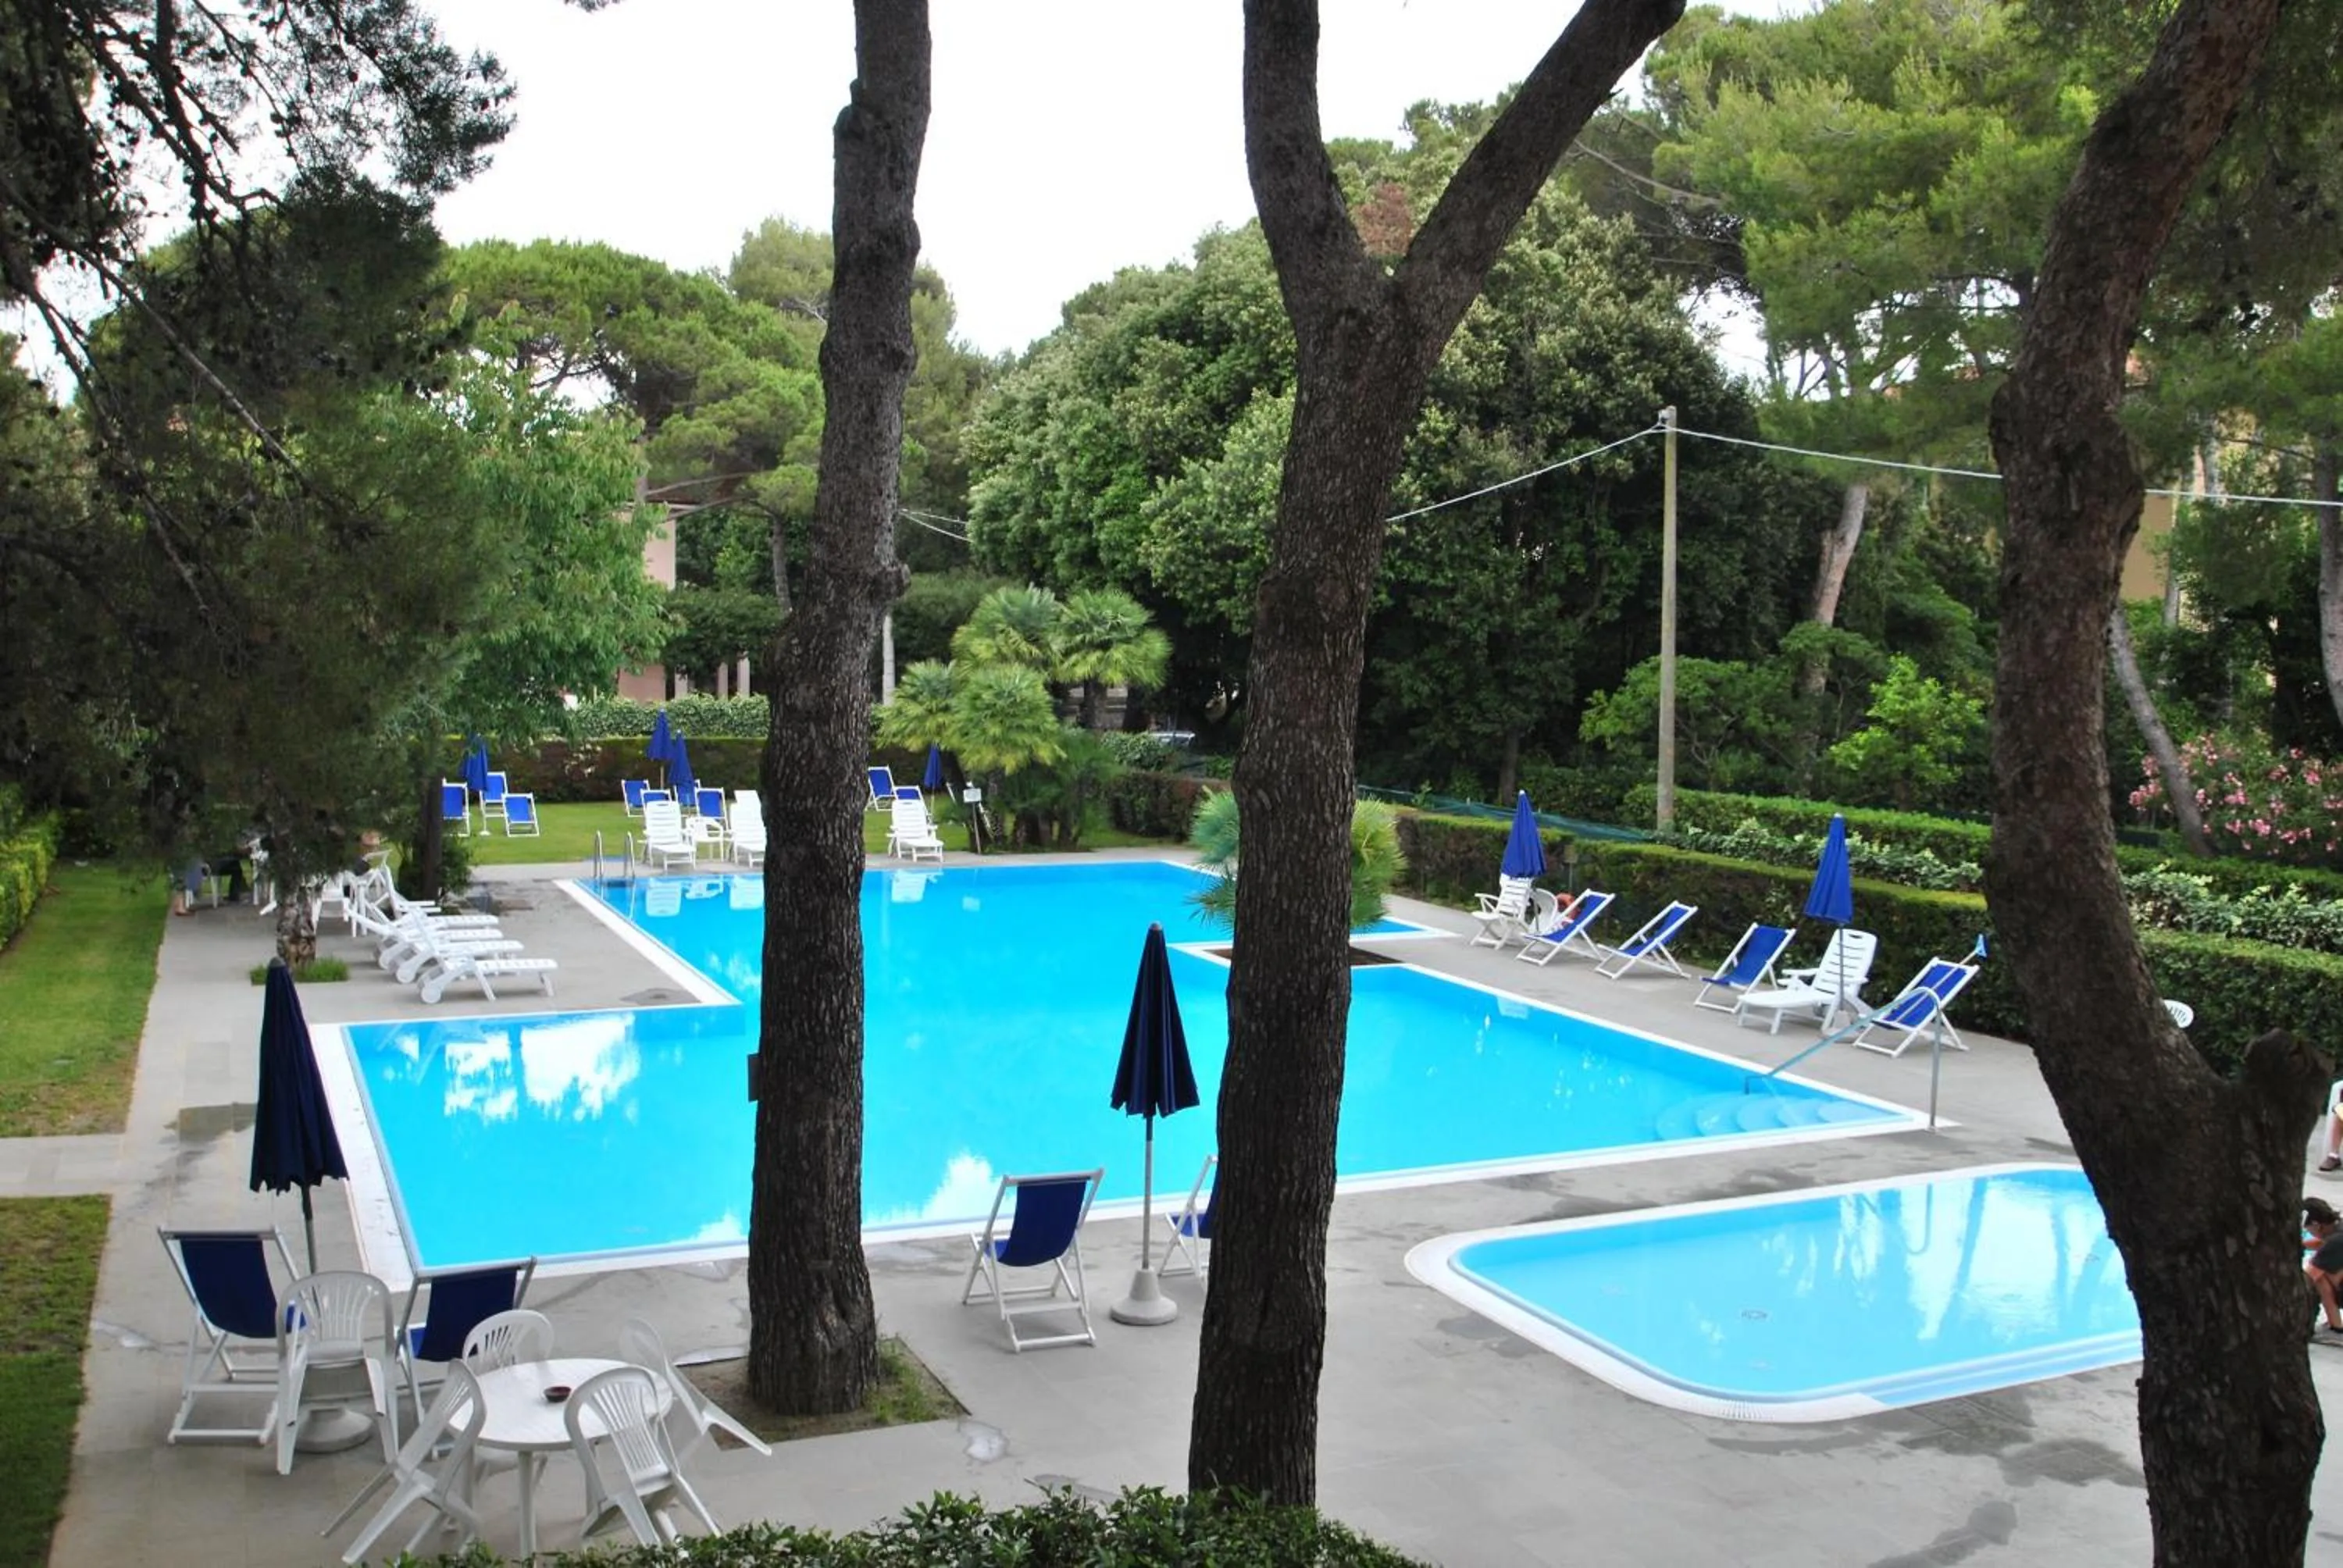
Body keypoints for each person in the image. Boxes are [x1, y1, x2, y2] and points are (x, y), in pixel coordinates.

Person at [2306, 1197, 2343, 1337]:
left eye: (2308, 1229)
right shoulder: (2339, 1229)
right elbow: (2322, 1243)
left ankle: (2336, 1329)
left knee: (2319, 1277)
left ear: (2316, 1224)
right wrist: (2301, 1244)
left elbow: (2310, 1275)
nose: (2309, 1233)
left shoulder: (2335, 1242)